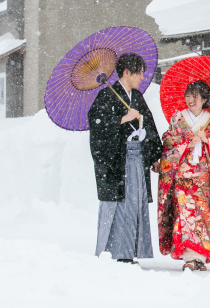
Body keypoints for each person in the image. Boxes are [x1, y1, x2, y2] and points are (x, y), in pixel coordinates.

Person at [88, 53, 162, 264]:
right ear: (127, 72)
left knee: (135, 203)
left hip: (137, 159)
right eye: (139, 73)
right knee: (119, 205)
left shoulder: (136, 97)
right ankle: (114, 253)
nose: (141, 77)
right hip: (117, 161)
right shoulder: (107, 96)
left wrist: (155, 155)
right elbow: (98, 126)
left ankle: (129, 251)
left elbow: (150, 126)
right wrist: (121, 119)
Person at [157, 80, 210, 271]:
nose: (190, 99)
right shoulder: (178, 118)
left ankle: (201, 258)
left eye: (195, 96)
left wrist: (206, 139)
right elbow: (168, 140)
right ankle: (189, 257)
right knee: (185, 215)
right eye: (188, 95)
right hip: (182, 174)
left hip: (204, 175)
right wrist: (185, 143)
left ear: (205, 99)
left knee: (204, 216)